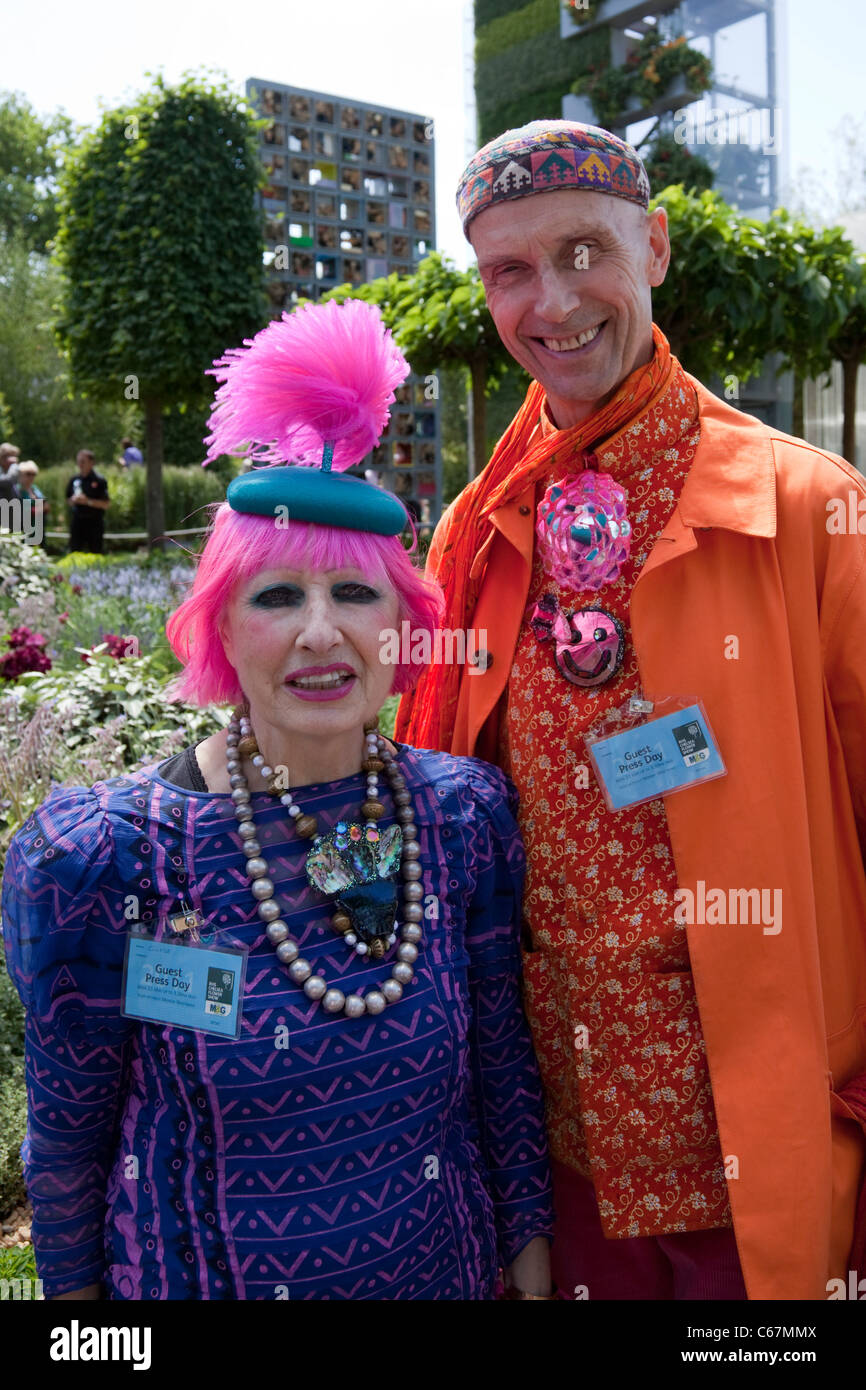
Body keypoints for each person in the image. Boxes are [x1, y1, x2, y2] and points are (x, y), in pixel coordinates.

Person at [396, 120, 866, 1301]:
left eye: (581, 253)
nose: (549, 302)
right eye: (508, 270)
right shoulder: (468, 535)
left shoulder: (812, 510)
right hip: (552, 1157)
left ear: (651, 247)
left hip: (761, 1142)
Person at [1, 299, 554, 1301]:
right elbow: (68, 1147)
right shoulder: (101, 860)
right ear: (219, 625)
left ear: (401, 624)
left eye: (353, 595)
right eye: (275, 596)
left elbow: (501, 1068)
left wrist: (531, 1258)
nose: (318, 633)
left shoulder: (462, 817)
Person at [66, 448, 110, 553]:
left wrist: (87, 501)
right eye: (78, 462)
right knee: (75, 552)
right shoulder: (74, 479)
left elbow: (106, 504)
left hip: (94, 522)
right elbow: (68, 499)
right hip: (77, 521)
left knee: (96, 552)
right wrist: (73, 500)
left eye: (83, 461)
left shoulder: (99, 480)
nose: (80, 464)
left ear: (91, 462)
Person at [12, 461, 49, 543]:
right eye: (28, 474)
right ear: (20, 474)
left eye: (34, 474)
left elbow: (46, 507)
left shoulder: (35, 489)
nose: (31, 477)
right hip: (24, 529)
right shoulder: (17, 490)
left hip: (38, 528)